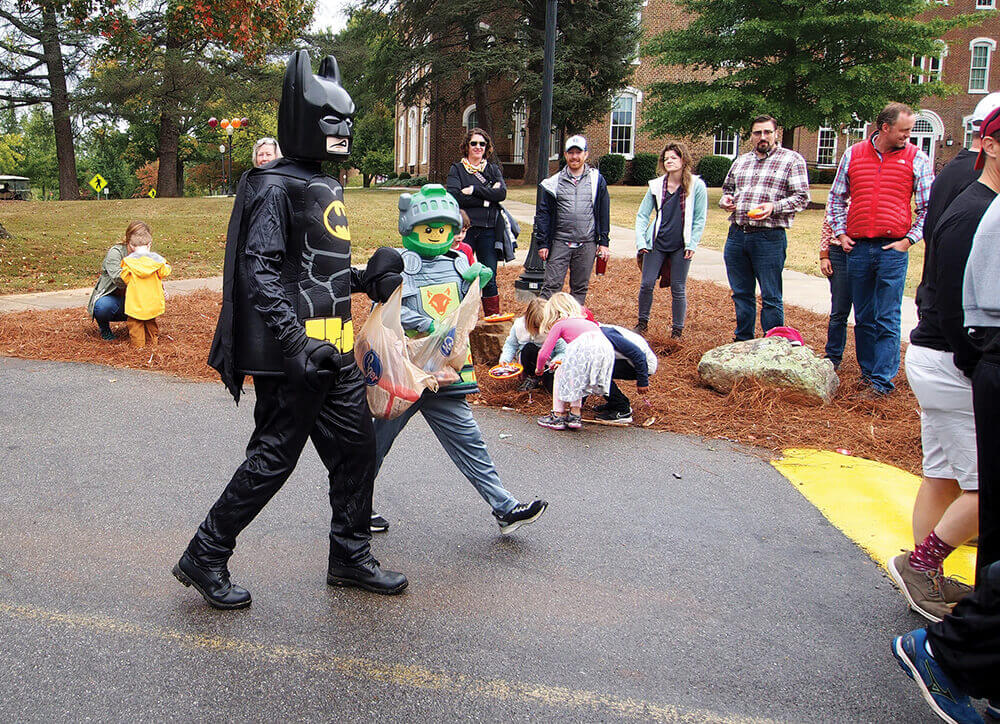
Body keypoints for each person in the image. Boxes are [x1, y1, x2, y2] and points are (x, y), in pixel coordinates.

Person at [173, 51, 408, 610]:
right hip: (296, 357)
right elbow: (259, 270)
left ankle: (349, 555)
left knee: (356, 453)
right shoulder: (276, 186)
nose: (342, 133)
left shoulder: (321, 184)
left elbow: (311, 270)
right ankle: (206, 553)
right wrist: (297, 344)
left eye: (346, 123)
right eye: (332, 122)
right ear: (305, 120)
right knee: (274, 456)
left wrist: (362, 281)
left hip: (335, 351)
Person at [892, 143, 1000, 721]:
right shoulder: (977, 210)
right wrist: (976, 363)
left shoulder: (970, 202)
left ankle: (923, 568)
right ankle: (925, 564)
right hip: (954, 359)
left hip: (938, 356)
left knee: (940, 471)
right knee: (984, 488)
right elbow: (966, 309)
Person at [370, 184, 548, 536]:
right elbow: (384, 309)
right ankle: (352, 507)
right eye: (428, 229)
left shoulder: (457, 263)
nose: (437, 236)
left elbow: (463, 312)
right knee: (374, 443)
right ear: (411, 228)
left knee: (469, 440)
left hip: (446, 372)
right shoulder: (400, 265)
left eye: (443, 229)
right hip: (405, 372)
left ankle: (505, 507)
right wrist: (426, 324)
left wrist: (476, 284)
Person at [828, 102, 934, 395]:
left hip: (892, 250)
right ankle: (867, 373)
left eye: (910, 131)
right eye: (903, 131)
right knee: (863, 316)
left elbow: (928, 208)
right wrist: (841, 233)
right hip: (859, 248)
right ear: (885, 128)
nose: (907, 136)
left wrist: (908, 240)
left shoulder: (917, 158)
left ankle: (881, 382)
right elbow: (836, 198)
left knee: (887, 316)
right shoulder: (854, 154)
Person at [720, 115, 810, 342]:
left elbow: (802, 197)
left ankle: (773, 343)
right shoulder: (741, 161)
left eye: (767, 132)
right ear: (751, 135)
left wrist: (774, 207)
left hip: (769, 237)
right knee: (741, 294)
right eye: (758, 132)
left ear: (776, 133)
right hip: (737, 235)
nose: (763, 137)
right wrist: (726, 200)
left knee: (770, 295)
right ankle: (743, 341)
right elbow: (727, 189)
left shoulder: (791, 160)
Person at [633, 141, 708, 338]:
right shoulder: (657, 186)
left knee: (678, 287)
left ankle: (677, 331)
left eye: (673, 157)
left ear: (683, 160)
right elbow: (642, 215)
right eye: (666, 159)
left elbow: (700, 218)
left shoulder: (696, 186)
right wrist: (642, 242)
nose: (669, 161)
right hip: (656, 243)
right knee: (647, 283)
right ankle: (642, 323)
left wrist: (692, 244)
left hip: (681, 246)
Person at [535, 135, 611, 306]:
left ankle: (574, 324)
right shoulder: (553, 183)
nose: (575, 157)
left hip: (587, 242)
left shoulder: (596, 180)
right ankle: (544, 325)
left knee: (579, 287)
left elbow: (603, 212)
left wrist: (603, 241)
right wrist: (543, 243)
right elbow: (544, 214)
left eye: (579, 152)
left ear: (586, 154)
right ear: (565, 155)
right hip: (560, 241)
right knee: (551, 286)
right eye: (571, 153)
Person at [446, 127, 507, 316]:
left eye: (482, 144)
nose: (478, 147)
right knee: (459, 272)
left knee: (489, 275)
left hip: (488, 230)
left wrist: (473, 190)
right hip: (465, 230)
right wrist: (488, 199)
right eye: (474, 143)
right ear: (467, 146)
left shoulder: (492, 169)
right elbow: (455, 197)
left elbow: (502, 194)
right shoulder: (457, 169)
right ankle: (457, 318)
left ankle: (491, 319)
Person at [535, 293, 615, 430]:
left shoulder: (560, 324)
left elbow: (544, 352)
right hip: (604, 350)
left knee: (561, 374)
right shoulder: (589, 323)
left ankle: (558, 415)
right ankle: (575, 414)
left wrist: (539, 368)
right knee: (577, 376)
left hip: (583, 348)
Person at [118, 222, 171, 348]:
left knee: (135, 325)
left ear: (131, 245)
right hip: (152, 302)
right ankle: (153, 344)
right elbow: (165, 272)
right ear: (149, 244)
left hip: (135, 303)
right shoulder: (157, 261)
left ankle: (139, 348)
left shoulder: (128, 263)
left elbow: (125, 278)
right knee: (151, 323)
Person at [593, 324, 657, 424]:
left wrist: (643, 381)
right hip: (628, 361)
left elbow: (638, 355)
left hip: (643, 365)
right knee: (594, 369)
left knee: (596, 372)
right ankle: (616, 403)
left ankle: (622, 410)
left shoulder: (606, 334)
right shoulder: (593, 332)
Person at [498, 297, 566, 392]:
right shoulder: (519, 326)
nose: (539, 330)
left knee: (552, 390)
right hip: (529, 362)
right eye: (535, 326)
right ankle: (531, 378)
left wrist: (556, 361)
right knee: (529, 348)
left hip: (548, 367)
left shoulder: (554, 328)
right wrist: (505, 359)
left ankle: (547, 380)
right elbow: (511, 345)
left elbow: (563, 351)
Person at [87, 227, 140, 340]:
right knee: (102, 307)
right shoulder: (116, 252)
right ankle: (105, 329)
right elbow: (119, 279)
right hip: (114, 297)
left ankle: (141, 328)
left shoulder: (146, 254)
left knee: (155, 302)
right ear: (128, 240)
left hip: (135, 298)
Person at [819, 216, 851, 370]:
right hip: (838, 252)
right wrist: (824, 255)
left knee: (867, 315)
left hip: (863, 249)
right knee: (839, 310)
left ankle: (870, 366)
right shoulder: (839, 192)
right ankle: (833, 356)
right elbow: (828, 221)